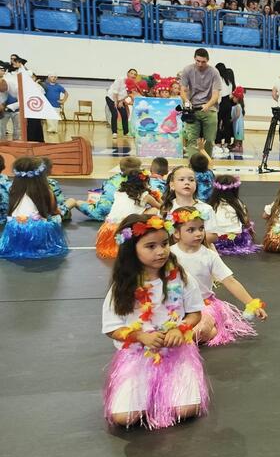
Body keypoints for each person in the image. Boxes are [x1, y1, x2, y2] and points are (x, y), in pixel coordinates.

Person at [101, 214, 208, 429]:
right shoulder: (123, 286)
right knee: (124, 418)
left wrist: (182, 329)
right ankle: (149, 396)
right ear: (132, 249)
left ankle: (163, 396)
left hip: (175, 352)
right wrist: (141, 336)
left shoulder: (180, 277)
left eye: (164, 244)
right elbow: (112, 328)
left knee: (185, 410)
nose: (161, 251)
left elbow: (195, 313)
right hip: (138, 354)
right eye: (150, 246)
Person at [170, 206, 266, 346]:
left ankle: (211, 331)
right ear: (177, 233)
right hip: (175, 307)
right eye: (191, 230)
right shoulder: (169, 254)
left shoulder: (209, 256)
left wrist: (251, 303)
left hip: (202, 306)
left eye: (201, 228)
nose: (198, 234)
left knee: (198, 331)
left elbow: (230, 281)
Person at [0, 156, 68, 259]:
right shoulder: (46, 191)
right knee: (56, 218)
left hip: (15, 234)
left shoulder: (12, 191)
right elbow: (54, 211)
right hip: (37, 235)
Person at [95, 170, 160, 259]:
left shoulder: (119, 192)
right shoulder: (144, 195)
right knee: (154, 210)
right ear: (144, 183)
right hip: (125, 230)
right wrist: (158, 197)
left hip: (108, 229)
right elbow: (161, 207)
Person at [178, 48, 223, 158]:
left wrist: (207, 105)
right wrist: (187, 102)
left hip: (209, 108)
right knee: (192, 139)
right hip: (192, 108)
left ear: (207, 60)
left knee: (209, 140)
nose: (200, 64)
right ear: (194, 58)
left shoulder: (214, 72)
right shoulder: (187, 70)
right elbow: (182, 90)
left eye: (203, 62)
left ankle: (206, 163)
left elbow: (216, 95)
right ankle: (193, 164)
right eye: (198, 61)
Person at [71, 157, 142, 221]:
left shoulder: (112, 179)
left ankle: (103, 214)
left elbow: (103, 192)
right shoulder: (142, 179)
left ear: (121, 168)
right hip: (128, 213)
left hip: (105, 211)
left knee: (78, 202)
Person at [209, 174, 261, 255]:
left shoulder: (211, 205)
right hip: (236, 240)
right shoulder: (238, 203)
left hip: (217, 241)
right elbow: (246, 221)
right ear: (235, 190)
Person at [214, 63, 236, 149]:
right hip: (228, 103)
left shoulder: (219, 79)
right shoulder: (229, 80)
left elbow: (218, 93)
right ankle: (227, 142)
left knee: (218, 123)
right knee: (227, 123)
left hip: (220, 102)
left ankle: (218, 142)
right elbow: (231, 93)